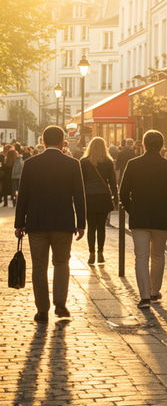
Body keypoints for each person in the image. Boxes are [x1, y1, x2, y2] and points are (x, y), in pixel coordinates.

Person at [14, 125, 86, 323]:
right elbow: (79, 196)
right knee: (62, 262)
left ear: (43, 142)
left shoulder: (31, 163)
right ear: (63, 142)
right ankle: (60, 304)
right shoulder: (72, 164)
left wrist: (19, 223)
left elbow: (24, 196)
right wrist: (81, 223)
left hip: (37, 222)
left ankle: (42, 310)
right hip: (63, 222)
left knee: (39, 266)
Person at [118, 129, 167, 309]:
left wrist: (133, 210)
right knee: (158, 255)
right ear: (162, 146)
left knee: (141, 256)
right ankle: (155, 291)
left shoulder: (133, 164)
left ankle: (144, 296)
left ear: (143, 145)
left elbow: (123, 193)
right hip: (161, 216)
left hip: (140, 216)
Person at [79, 137, 118, 265]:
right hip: (103, 196)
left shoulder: (84, 162)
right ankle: (100, 252)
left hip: (89, 197)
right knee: (101, 227)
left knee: (91, 227)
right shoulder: (108, 162)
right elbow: (112, 182)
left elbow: (81, 182)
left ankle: (91, 253)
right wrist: (116, 199)